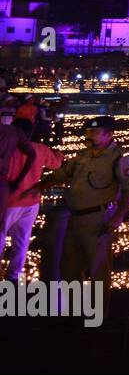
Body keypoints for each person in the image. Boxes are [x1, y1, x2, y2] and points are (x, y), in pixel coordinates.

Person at [37, 116, 129, 304]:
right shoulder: (82, 155)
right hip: (74, 218)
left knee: (98, 269)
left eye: (94, 132)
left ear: (109, 135)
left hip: (98, 219)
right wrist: (37, 187)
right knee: (70, 267)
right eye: (87, 131)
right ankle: (74, 312)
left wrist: (118, 217)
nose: (88, 135)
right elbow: (60, 175)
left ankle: (98, 314)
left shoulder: (120, 157)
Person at [4, 118, 63, 280]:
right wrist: (58, 154)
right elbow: (57, 164)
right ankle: (13, 275)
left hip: (8, 201)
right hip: (31, 201)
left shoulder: (7, 148)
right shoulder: (40, 149)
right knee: (22, 241)